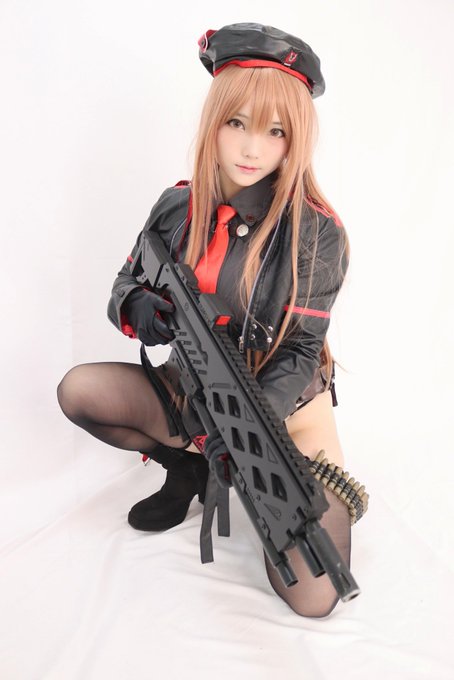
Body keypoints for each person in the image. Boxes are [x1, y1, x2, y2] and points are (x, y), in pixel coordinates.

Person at [58, 23, 366, 618]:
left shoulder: (316, 231)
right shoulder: (177, 205)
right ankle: (189, 468)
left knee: (313, 594)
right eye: (237, 123)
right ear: (213, 124)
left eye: (275, 131)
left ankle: (226, 460)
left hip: (285, 413)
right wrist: (138, 308)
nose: (252, 148)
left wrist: (248, 430)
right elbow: (124, 285)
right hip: (189, 386)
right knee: (81, 390)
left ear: (295, 139)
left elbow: (301, 350)